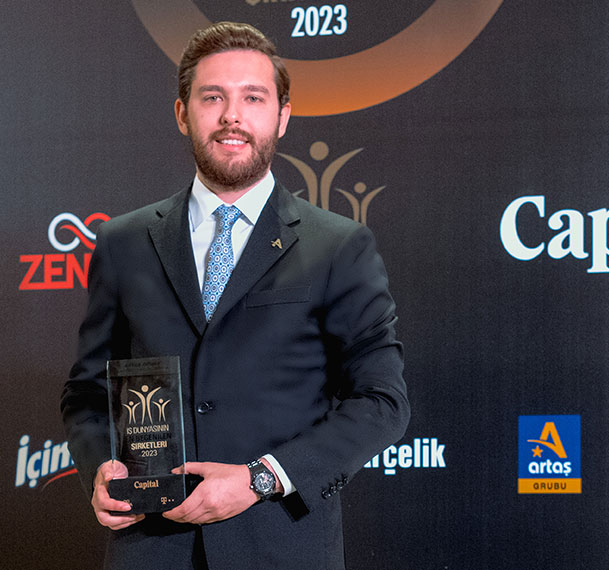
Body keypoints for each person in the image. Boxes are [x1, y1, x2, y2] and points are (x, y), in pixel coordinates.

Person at [61, 21, 409, 570]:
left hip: (281, 548)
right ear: (183, 114)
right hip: (150, 549)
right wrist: (101, 469)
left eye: (253, 97)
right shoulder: (123, 242)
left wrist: (258, 479)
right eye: (213, 97)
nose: (232, 116)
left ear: (282, 116)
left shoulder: (339, 246)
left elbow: (381, 402)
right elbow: (87, 392)